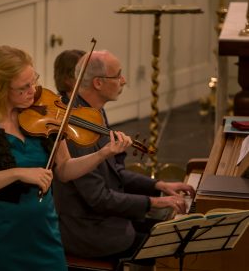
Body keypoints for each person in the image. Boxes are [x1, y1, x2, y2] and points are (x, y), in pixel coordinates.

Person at [0, 45, 132, 271]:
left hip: (43, 231)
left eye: (34, 81)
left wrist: (103, 153)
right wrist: (17, 173)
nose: (33, 90)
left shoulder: (46, 114)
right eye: (23, 87)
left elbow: (65, 169)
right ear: (1, 89)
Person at [52, 50, 196, 265]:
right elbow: (99, 198)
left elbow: (115, 172)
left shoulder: (95, 112)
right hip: (89, 233)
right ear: (98, 83)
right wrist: (154, 202)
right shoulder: (75, 130)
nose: (124, 80)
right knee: (175, 251)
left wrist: (159, 185)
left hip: (108, 220)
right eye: (118, 75)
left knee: (178, 236)